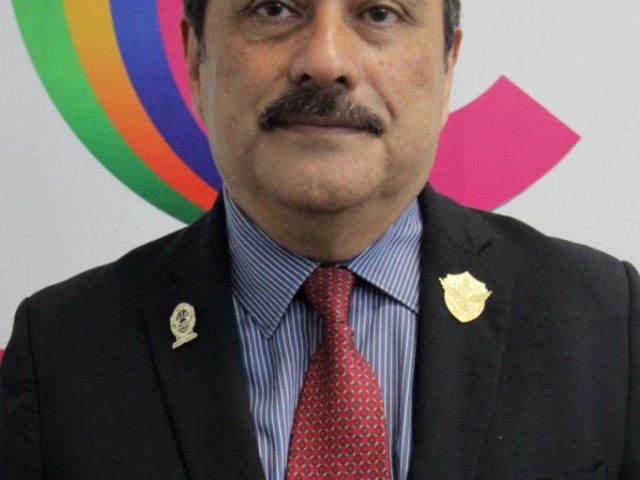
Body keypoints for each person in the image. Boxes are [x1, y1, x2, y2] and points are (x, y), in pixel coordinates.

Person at [1, 0, 638, 478]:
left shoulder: (605, 322)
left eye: (379, 13)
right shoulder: (61, 352)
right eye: (274, 9)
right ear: (197, 61)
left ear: (448, 67)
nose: (326, 61)